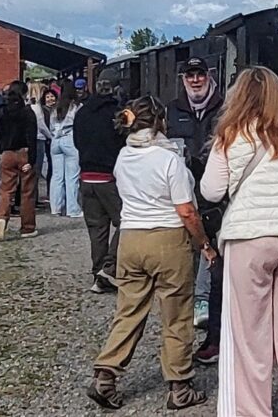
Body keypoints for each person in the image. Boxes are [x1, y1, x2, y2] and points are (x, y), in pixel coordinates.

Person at [200, 66, 278, 417]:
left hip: (248, 241)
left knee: (249, 337)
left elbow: (210, 191)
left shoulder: (230, 135)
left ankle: (253, 412)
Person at [86, 96, 216, 410]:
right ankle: (180, 386)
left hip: (130, 239)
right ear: (159, 122)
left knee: (129, 311)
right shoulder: (169, 160)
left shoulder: (123, 156)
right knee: (176, 314)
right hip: (167, 239)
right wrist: (204, 244)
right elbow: (186, 211)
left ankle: (106, 375)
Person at [166, 57, 224, 359]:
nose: (196, 79)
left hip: (214, 186)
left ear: (208, 76)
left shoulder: (223, 107)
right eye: (190, 75)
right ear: (183, 79)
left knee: (208, 243)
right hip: (182, 186)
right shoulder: (173, 109)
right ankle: (183, 299)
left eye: (200, 74)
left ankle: (202, 301)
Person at [73, 78, 125, 293]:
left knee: (97, 229)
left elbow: (77, 142)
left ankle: (98, 274)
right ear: (116, 89)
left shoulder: (82, 112)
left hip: (86, 177)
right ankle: (109, 268)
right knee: (128, 221)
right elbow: (123, 142)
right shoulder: (118, 114)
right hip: (109, 177)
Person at [0, 81, 39, 241]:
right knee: (27, 192)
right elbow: (32, 137)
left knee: (5, 190)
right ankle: (27, 228)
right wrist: (31, 160)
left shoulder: (3, 111)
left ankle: (1, 219)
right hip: (24, 153)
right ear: (24, 94)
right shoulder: (28, 113)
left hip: (7, 153)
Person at [49, 88, 83, 217]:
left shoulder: (55, 108)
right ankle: (73, 209)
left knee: (57, 176)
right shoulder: (76, 107)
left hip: (55, 140)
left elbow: (51, 126)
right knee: (72, 177)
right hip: (70, 139)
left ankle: (56, 208)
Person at [32, 89, 56, 203]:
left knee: (51, 167)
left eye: (52, 96)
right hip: (46, 140)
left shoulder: (58, 109)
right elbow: (43, 126)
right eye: (47, 97)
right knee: (40, 167)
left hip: (51, 140)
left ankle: (50, 193)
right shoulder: (43, 111)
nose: (50, 99)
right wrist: (50, 136)